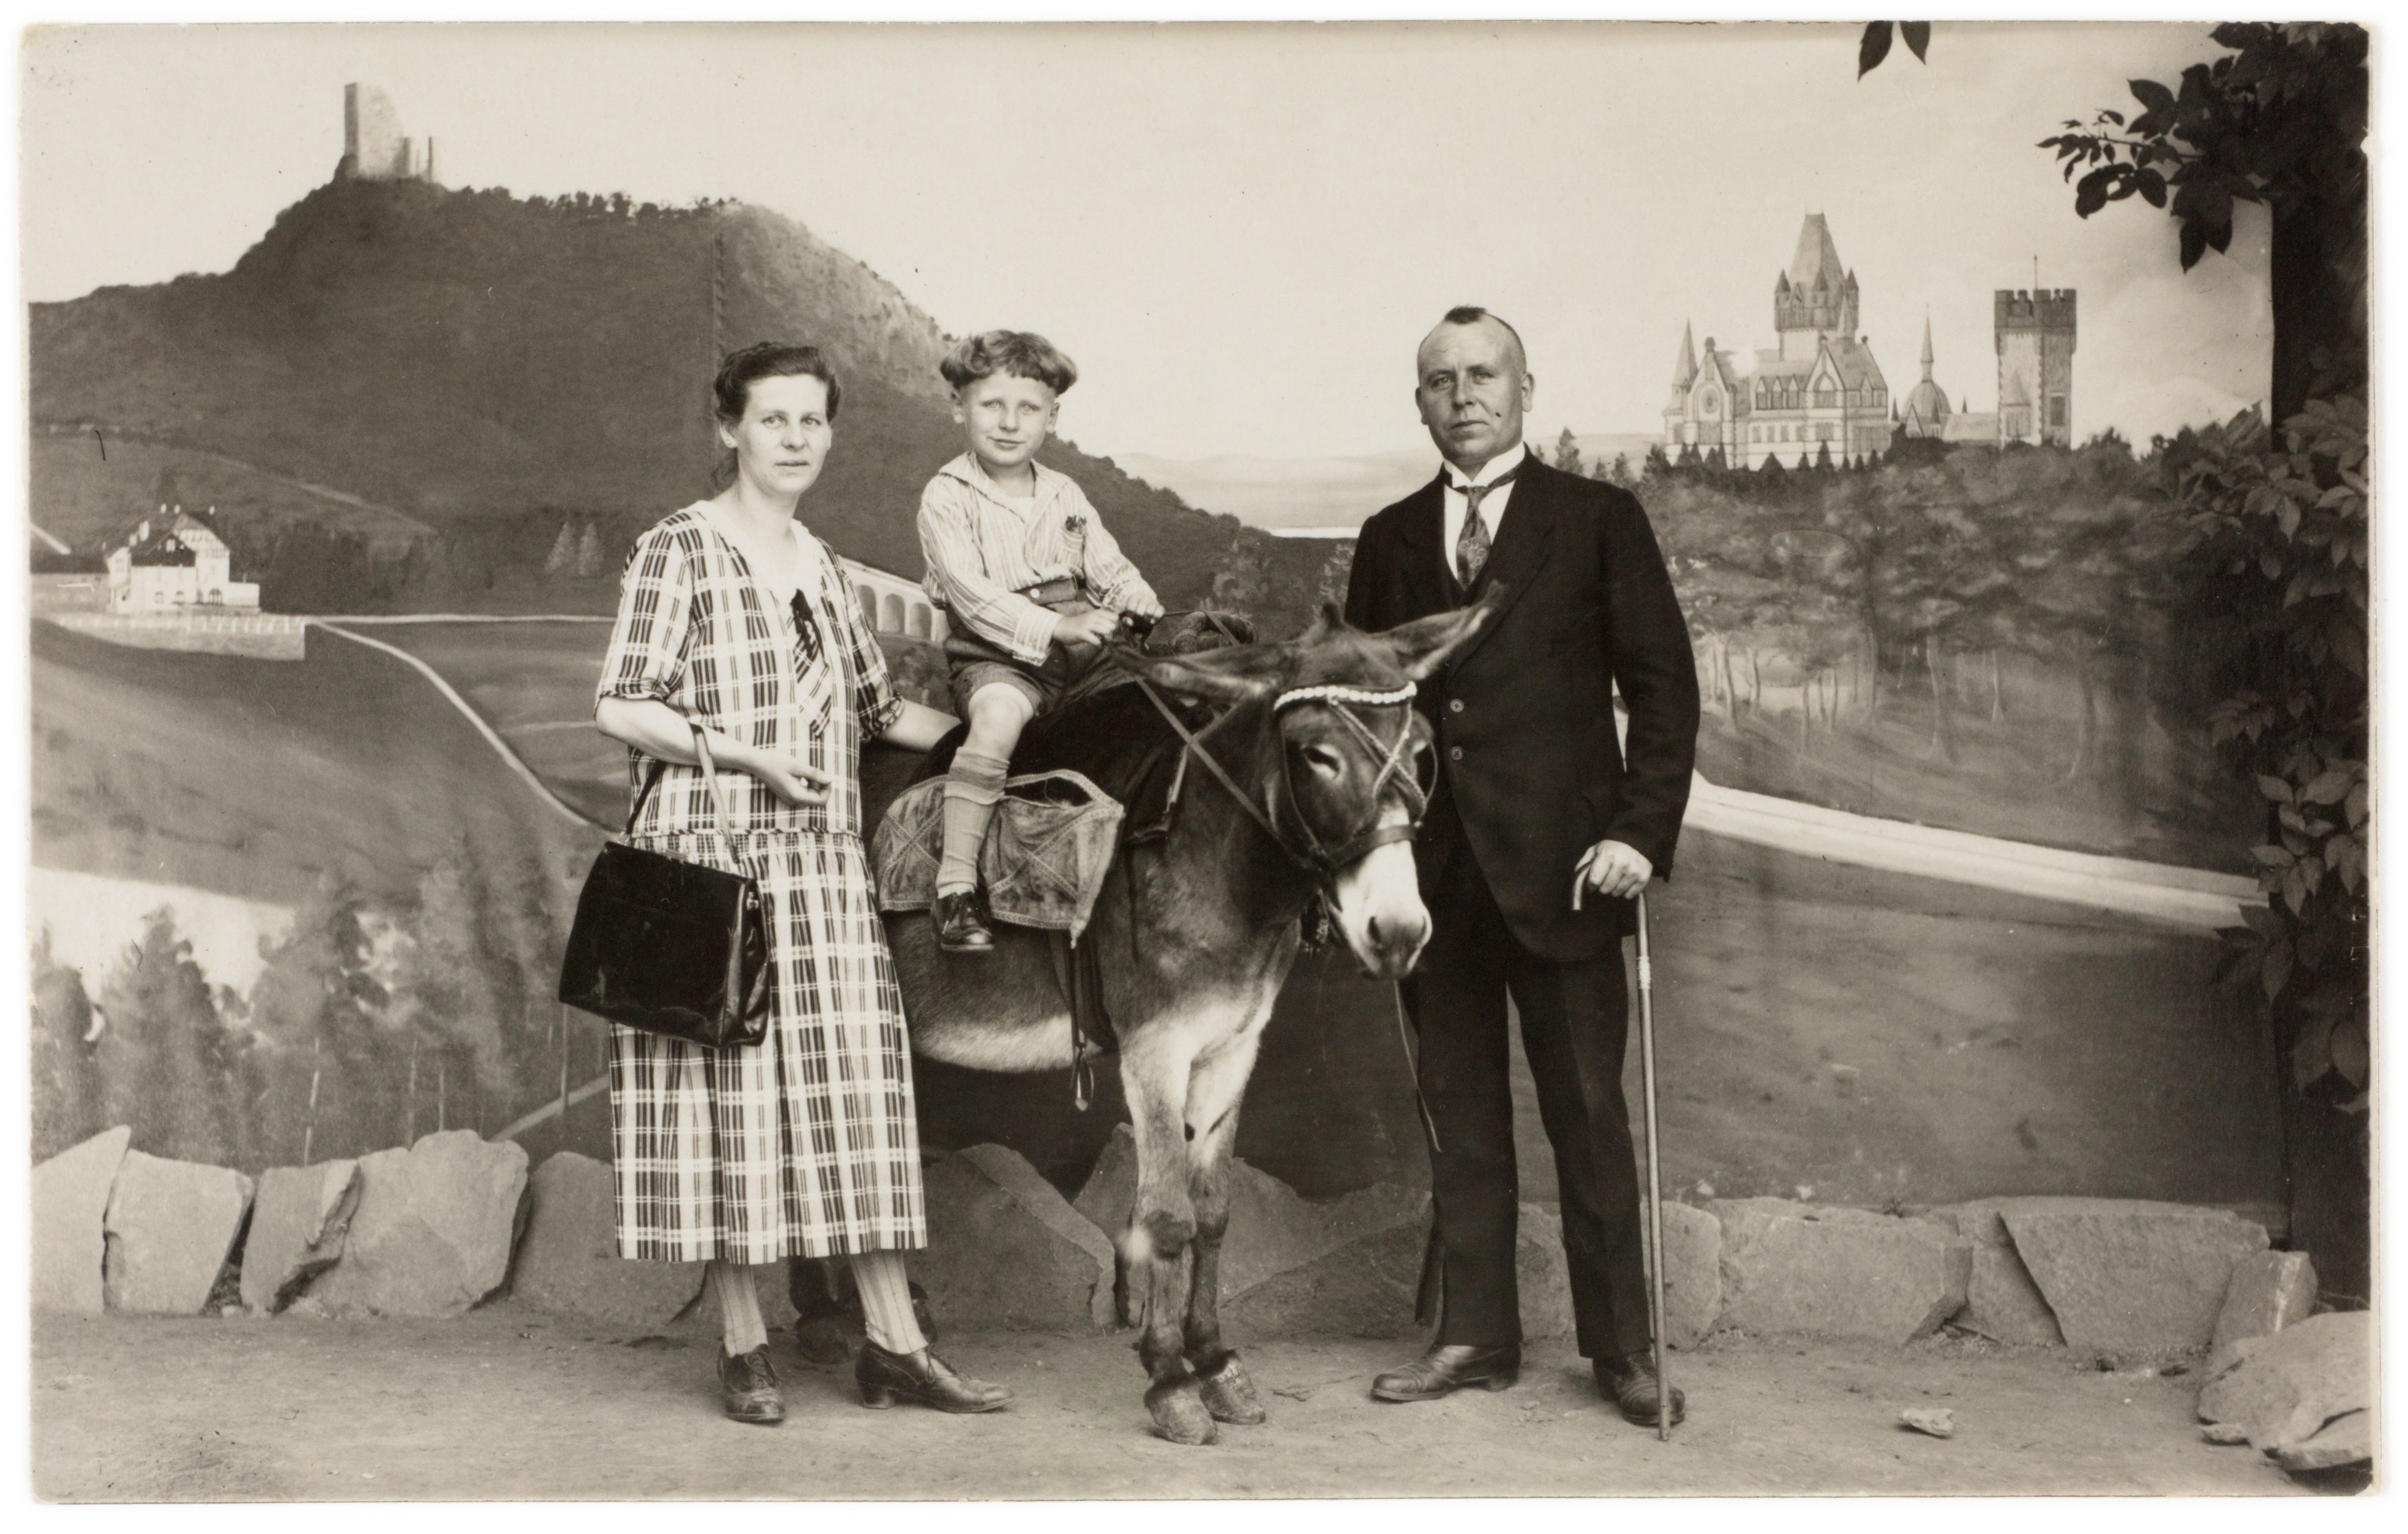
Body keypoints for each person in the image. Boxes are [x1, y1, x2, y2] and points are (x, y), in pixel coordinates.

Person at [594, 341, 1011, 1426]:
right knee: (726, 1103)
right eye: (773, 418)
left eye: (812, 420)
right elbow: (621, 703)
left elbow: (881, 711)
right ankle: (742, 1346)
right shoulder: (679, 548)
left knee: (857, 1096)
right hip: (709, 858)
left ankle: (897, 1347)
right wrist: (747, 756)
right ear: (729, 427)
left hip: (824, 866)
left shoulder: (823, 565)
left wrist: (997, 739)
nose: (795, 438)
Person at [1342, 307, 1702, 1427]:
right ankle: (1474, 1337)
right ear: (1420, 401)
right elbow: (1362, 714)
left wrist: (1637, 834)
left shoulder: (1596, 520)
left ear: (1525, 388)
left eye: (1484, 374)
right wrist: (1371, 862)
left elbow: (1665, 689)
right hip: (1435, 884)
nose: (1465, 396)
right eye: (1441, 380)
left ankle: (1623, 1352)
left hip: (1570, 875)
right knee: (1460, 1118)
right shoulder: (1389, 538)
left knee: (1588, 1117)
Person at [915, 330, 1163, 954]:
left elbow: (1108, 568)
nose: (1009, 423)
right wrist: (1054, 626)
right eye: (991, 405)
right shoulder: (947, 495)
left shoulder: (1064, 493)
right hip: (996, 656)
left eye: (1028, 408)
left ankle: (1158, 865)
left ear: (1052, 417)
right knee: (998, 720)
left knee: (1164, 702)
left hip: (1079, 654)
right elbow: (971, 596)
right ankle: (955, 884)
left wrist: (1137, 599)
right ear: (958, 407)